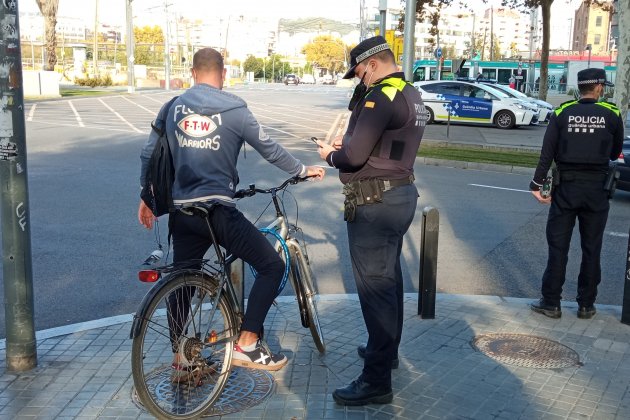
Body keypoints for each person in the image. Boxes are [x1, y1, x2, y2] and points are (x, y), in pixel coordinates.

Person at [138, 48, 325, 379]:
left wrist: (147, 196)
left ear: (193, 73)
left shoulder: (172, 107)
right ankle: (248, 342)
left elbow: (149, 154)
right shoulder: (236, 109)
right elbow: (269, 148)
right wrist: (301, 169)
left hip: (183, 213)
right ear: (222, 74)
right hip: (217, 212)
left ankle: (181, 359)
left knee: (181, 282)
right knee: (271, 266)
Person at [315, 36, 426, 406]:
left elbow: (353, 155)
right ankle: (386, 351)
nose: (359, 80)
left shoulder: (380, 96)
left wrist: (331, 155)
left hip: (375, 203)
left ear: (373, 64)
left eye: (360, 72)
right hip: (400, 195)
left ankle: (376, 381)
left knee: (375, 291)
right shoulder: (412, 93)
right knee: (389, 281)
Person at [529, 68, 624, 320]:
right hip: (597, 191)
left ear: (578, 88)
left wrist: (536, 184)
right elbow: (615, 153)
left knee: (558, 248)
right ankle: (586, 305)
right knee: (592, 249)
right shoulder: (612, 114)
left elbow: (546, 152)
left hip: (566, 190)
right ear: (600, 88)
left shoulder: (562, 112)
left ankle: (551, 303)